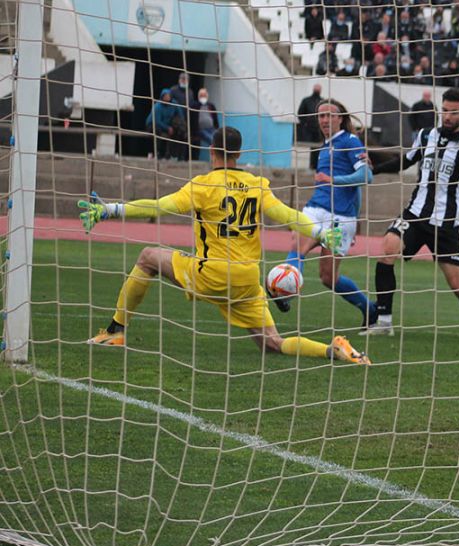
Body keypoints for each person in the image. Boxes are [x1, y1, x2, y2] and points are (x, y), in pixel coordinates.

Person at [77, 127, 369, 365]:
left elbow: (159, 206)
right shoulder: (257, 184)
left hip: (211, 275)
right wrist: (321, 232)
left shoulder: (203, 184)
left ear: (211, 151)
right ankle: (332, 350)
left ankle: (115, 331)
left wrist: (110, 210)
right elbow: (287, 216)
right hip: (246, 279)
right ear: (239, 153)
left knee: (148, 257)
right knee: (272, 343)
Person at [365, 88, 459, 341]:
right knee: (388, 247)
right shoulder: (425, 135)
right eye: (444, 110)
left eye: (453, 112)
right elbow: (405, 161)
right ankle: (384, 320)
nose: (447, 116)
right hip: (415, 215)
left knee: (458, 285)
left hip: (446, 225)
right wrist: (372, 169)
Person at [284, 99, 377, 329]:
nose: (324, 119)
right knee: (298, 243)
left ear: (340, 118)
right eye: (321, 116)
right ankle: (285, 291)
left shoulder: (351, 141)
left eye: (329, 115)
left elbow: (366, 177)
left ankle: (370, 309)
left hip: (339, 220)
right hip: (316, 210)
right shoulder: (324, 146)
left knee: (328, 278)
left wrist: (352, 220)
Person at [145, 88, 186, 160]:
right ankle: (155, 153)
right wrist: (168, 128)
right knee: (159, 132)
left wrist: (181, 124)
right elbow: (157, 121)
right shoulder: (157, 107)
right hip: (153, 124)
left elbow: (180, 115)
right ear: (162, 97)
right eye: (165, 96)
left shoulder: (174, 104)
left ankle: (176, 156)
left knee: (180, 132)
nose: (167, 98)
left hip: (166, 125)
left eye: (168, 96)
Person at [297, 84, 323, 169]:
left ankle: (316, 166)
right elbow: (300, 114)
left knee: (318, 149)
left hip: (319, 130)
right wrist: (305, 123)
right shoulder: (306, 100)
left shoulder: (322, 102)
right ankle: (310, 166)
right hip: (308, 130)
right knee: (307, 148)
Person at [194, 88, 219, 160]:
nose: (203, 97)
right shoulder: (195, 106)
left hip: (211, 128)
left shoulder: (211, 106)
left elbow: (215, 117)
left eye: (204, 95)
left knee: (219, 139)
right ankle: (214, 159)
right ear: (198, 97)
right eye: (201, 95)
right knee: (212, 140)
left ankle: (218, 158)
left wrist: (217, 128)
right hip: (201, 130)